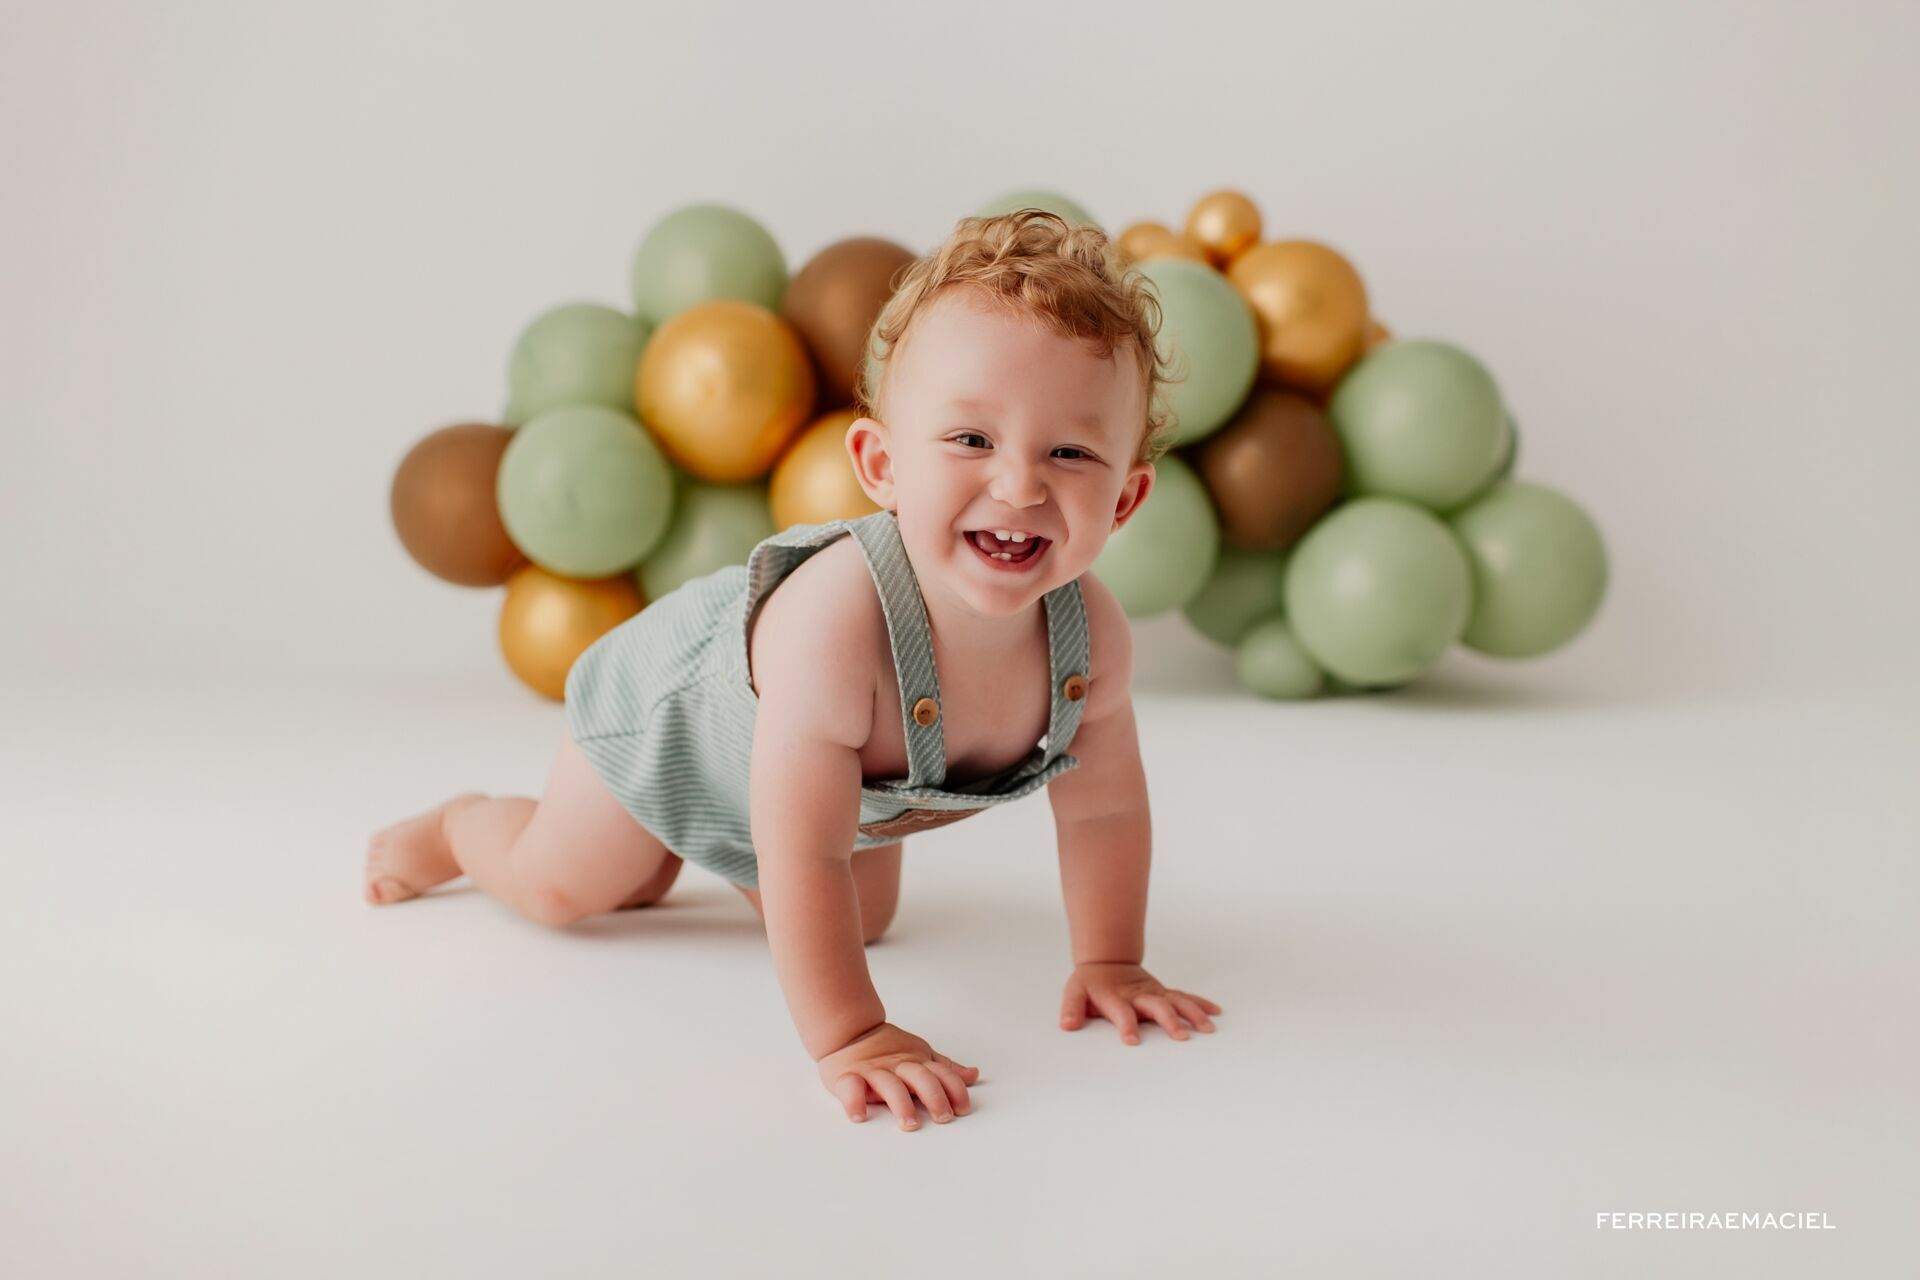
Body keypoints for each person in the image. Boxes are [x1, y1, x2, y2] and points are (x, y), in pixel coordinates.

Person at [364, 209, 1223, 1130]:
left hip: (796, 795)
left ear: (1126, 496)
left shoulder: (1090, 638)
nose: (1019, 487)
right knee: (564, 887)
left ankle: (673, 856)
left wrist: (1111, 962)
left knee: (858, 922)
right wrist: (854, 1034)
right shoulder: (837, 627)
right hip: (668, 729)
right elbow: (804, 849)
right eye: (971, 440)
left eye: (1071, 452)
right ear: (880, 464)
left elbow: (1104, 811)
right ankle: (460, 831)